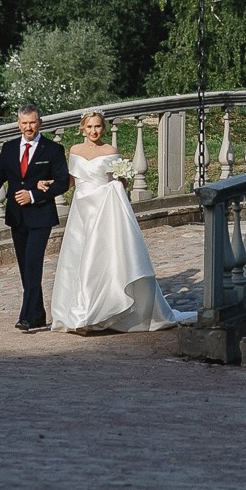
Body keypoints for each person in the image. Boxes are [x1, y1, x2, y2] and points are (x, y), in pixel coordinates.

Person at [46, 110, 194, 333]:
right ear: (82, 129)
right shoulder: (75, 151)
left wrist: (120, 181)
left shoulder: (110, 151)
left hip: (104, 210)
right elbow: (71, 181)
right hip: (82, 210)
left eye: (97, 127)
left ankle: (94, 314)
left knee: (100, 258)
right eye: (89, 127)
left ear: (103, 128)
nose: (94, 131)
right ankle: (80, 311)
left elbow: (118, 182)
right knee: (78, 257)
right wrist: (49, 183)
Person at [0, 105, 70, 332]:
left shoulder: (52, 149)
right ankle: (38, 314)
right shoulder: (9, 148)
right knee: (25, 266)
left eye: (32, 122)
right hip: (16, 216)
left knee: (33, 263)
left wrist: (33, 194)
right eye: (24, 123)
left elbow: (62, 182)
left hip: (41, 215)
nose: (28, 127)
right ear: (18, 124)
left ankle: (25, 316)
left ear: (40, 123)